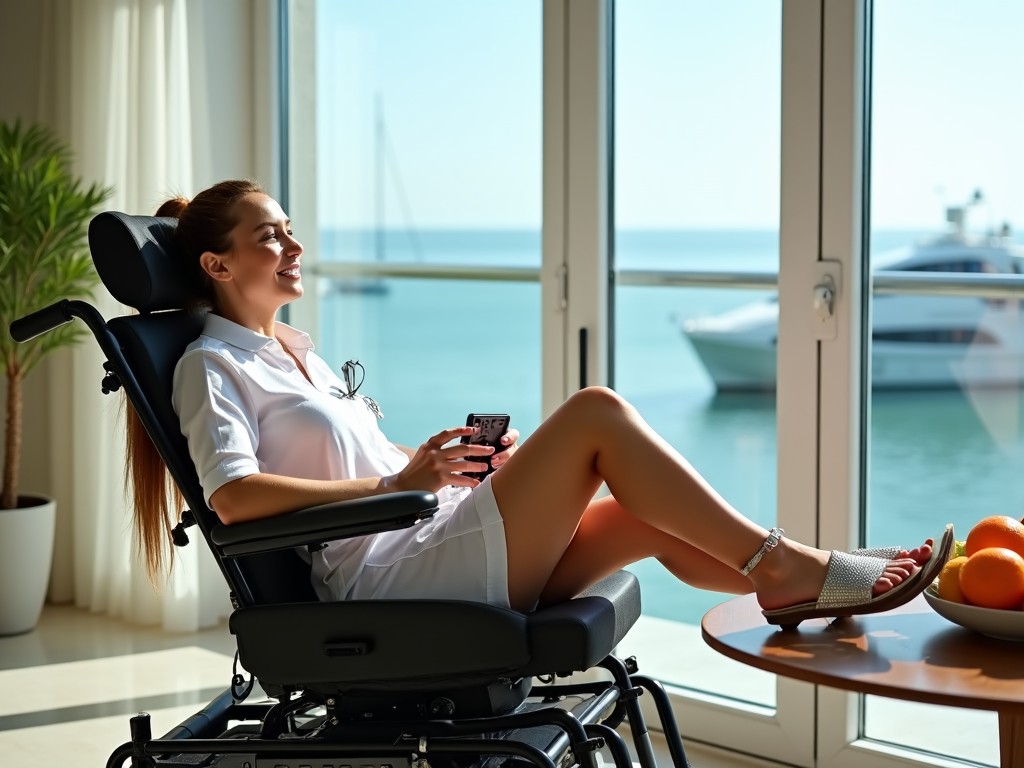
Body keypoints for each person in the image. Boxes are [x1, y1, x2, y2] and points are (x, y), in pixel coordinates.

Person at [128, 179, 952, 628]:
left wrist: (453, 466)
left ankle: (788, 582)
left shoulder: (296, 351)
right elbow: (233, 499)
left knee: (635, 516)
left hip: (423, 530)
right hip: (383, 579)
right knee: (595, 411)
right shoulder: (210, 368)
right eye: (271, 235)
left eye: (291, 228)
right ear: (217, 265)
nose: (295, 246)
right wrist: (395, 486)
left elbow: (378, 466)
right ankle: (792, 563)